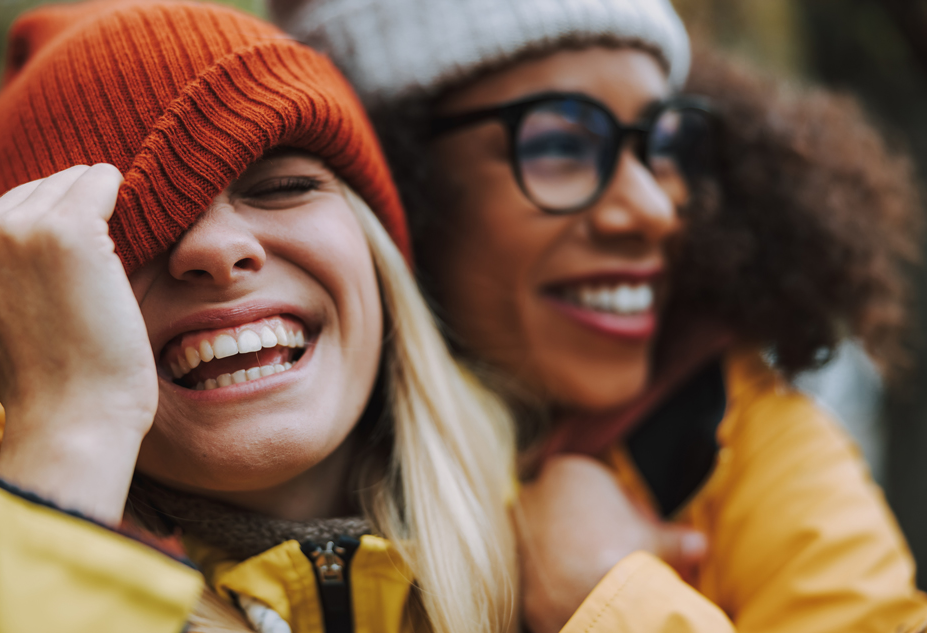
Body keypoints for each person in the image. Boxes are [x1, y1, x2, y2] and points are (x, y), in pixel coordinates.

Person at [272, 0, 927, 631]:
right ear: (394, 175)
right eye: (559, 143)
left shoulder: (740, 433)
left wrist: (604, 595)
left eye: (661, 142)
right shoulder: (246, 472)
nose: (653, 208)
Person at [0, 2, 518, 632]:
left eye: (282, 185)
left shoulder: (587, 566)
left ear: (377, 248)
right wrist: (70, 428)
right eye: (122, 227)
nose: (217, 248)